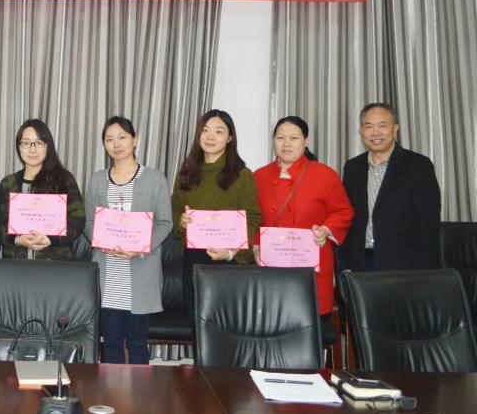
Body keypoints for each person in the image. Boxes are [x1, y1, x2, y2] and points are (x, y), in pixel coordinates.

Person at [84, 116, 172, 364]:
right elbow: (89, 222)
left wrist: (141, 248)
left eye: (122, 137)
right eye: (109, 139)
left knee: (137, 343)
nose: (116, 144)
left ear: (135, 140)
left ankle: (140, 391)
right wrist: (101, 241)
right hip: (108, 273)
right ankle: (111, 390)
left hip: (141, 271)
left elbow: (165, 222)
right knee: (110, 342)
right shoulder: (97, 180)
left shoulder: (155, 178)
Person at [252, 116, 353, 317]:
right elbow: (254, 218)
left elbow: (343, 211)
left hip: (312, 268)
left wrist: (325, 230)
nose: (286, 144)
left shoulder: (324, 174)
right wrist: (256, 247)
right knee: (274, 321)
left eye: (294, 138)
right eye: (280, 138)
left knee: (312, 323)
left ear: (305, 141)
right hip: (272, 267)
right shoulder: (259, 176)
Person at [172, 109, 261, 322]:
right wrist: (181, 223)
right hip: (194, 260)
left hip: (227, 261)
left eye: (218, 131)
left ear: (229, 138)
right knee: (197, 326)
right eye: (205, 130)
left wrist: (232, 253)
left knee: (225, 327)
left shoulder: (242, 175)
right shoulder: (186, 172)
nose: (210, 136)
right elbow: (175, 210)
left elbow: (253, 218)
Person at [339, 102, 441, 273]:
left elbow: (428, 225)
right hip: (360, 264)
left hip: (403, 265)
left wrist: (421, 273)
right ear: (361, 131)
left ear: (395, 129)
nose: (375, 132)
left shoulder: (418, 165)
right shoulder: (353, 167)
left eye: (382, 126)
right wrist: (344, 266)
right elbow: (348, 218)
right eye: (368, 126)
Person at [0, 119, 84, 261]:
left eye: (39, 143)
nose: (32, 149)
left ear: (47, 146)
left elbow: (78, 220)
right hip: (15, 266)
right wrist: (17, 239)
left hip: (54, 264)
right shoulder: (8, 183)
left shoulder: (63, 179)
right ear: (19, 147)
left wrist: (50, 239)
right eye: (26, 143)